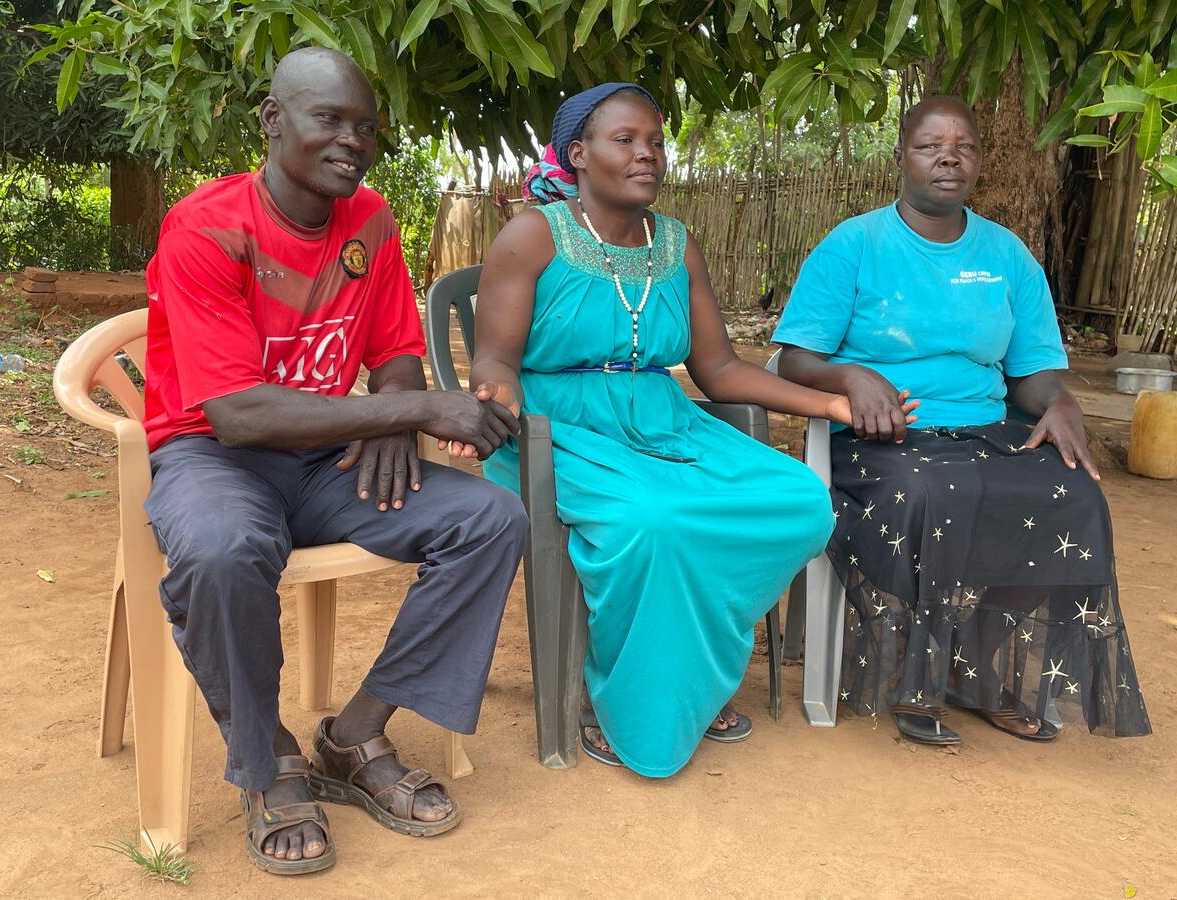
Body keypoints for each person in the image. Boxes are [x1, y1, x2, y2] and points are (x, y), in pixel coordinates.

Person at [142, 47, 528, 875]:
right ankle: (269, 760)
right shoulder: (207, 228)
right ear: (273, 121)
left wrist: (392, 414)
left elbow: (393, 353)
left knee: (489, 517)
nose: (351, 140)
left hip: (325, 462)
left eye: (365, 127)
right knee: (220, 549)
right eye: (329, 120)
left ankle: (355, 734)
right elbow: (238, 414)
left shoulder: (372, 222)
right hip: (213, 458)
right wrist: (416, 410)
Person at [470, 83, 889, 777]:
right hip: (557, 432)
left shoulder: (677, 243)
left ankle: (692, 670)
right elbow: (494, 356)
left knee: (801, 503)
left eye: (657, 142)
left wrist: (831, 406)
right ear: (578, 154)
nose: (648, 155)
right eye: (626, 140)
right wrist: (496, 403)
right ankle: (625, 706)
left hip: (663, 422)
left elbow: (719, 369)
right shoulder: (533, 235)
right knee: (654, 521)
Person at [773, 95, 1150, 745]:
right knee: (931, 492)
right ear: (901, 158)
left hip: (981, 430)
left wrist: (1061, 402)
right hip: (878, 439)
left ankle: (973, 663)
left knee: (1074, 493)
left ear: (978, 161)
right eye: (930, 145)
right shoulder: (855, 245)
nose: (949, 156)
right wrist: (853, 376)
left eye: (964, 146)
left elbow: (1032, 373)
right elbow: (793, 359)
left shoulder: (1006, 256)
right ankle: (924, 675)